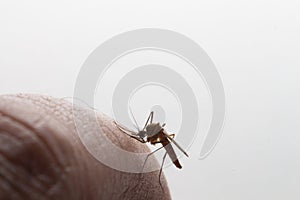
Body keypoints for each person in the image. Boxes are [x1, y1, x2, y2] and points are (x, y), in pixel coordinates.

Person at [0, 94, 171, 200]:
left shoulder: (151, 137)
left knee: (151, 152)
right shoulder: (147, 133)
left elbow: (146, 139)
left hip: (164, 143)